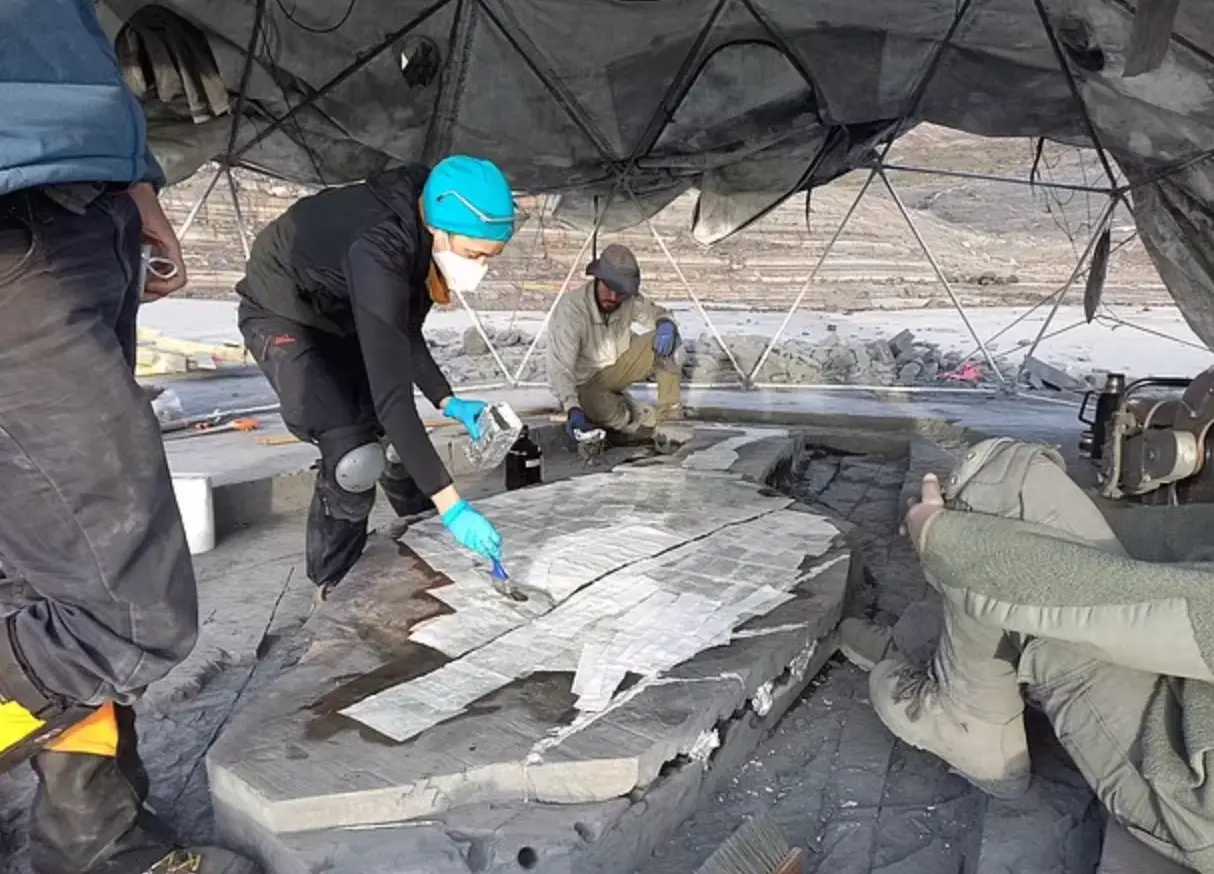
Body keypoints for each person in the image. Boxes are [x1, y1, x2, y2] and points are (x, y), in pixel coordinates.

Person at [0, 1, 261, 872]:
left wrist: (133, 178)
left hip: (85, 192)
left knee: (41, 569)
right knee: (125, 614)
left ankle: (90, 830)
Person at [843, 437, 1214, 873]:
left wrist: (946, 538)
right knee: (1014, 491)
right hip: (1193, 701)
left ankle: (971, 723)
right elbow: (1190, 542)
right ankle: (964, 653)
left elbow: (1187, 612)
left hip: (1185, 786)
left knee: (995, 483)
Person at [234, 156, 516, 596]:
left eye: (490, 258)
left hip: (342, 311)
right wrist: (455, 506)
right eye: (473, 254)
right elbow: (393, 398)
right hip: (284, 311)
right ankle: (333, 583)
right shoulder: (380, 247)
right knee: (355, 458)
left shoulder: (425, 231)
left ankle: (431, 550)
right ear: (440, 225)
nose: (479, 267)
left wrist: (447, 400)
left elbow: (401, 332)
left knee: (400, 450)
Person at [546, 243, 684, 440]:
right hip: (585, 383)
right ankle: (632, 417)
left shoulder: (626, 299)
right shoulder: (571, 310)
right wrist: (571, 408)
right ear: (597, 279)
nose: (613, 297)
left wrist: (665, 323)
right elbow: (560, 368)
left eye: (620, 292)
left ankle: (670, 419)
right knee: (606, 412)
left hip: (618, 368)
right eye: (609, 288)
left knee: (673, 344)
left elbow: (656, 313)